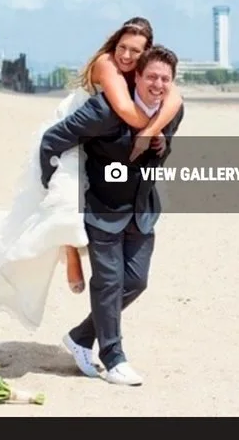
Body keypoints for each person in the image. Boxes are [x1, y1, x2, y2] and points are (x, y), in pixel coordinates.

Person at [0, 17, 184, 333]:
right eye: (122, 47)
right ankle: (71, 254)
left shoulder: (147, 72)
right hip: (74, 135)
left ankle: (83, 332)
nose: (126, 56)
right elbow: (128, 113)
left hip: (98, 141)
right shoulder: (107, 64)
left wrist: (157, 130)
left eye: (135, 51)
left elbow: (175, 98)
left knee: (123, 268)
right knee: (65, 200)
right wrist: (152, 127)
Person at [38, 44, 183, 386]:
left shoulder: (173, 112)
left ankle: (80, 337)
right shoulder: (103, 111)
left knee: (135, 281)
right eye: (151, 77)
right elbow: (52, 140)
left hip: (142, 210)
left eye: (165, 79)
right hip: (101, 209)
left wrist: (161, 142)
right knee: (108, 283)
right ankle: (114, 357)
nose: (158, 85)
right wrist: (54, 189)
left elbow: (156, 157)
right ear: (137, 77)